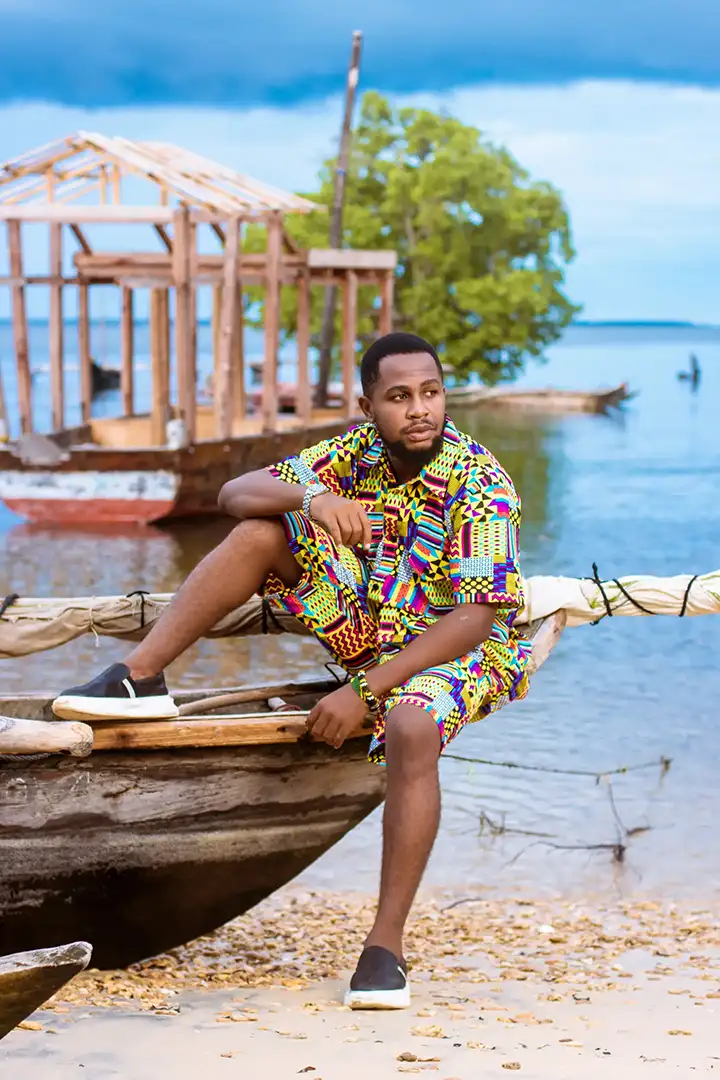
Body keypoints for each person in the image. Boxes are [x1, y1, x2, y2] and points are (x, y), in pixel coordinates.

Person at [53, 333, 532, 1010]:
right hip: (375, 625)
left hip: (459, 649)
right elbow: (234, 493)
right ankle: (141, 676)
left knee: (410, 723)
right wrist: (311, 498)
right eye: (399, 397)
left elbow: (476, 619)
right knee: (261, 530)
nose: (419, 409)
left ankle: (385, 949)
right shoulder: (354, 452)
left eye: (430, 392)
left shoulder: (480, 482)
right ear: (369, 406)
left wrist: (363, 690)